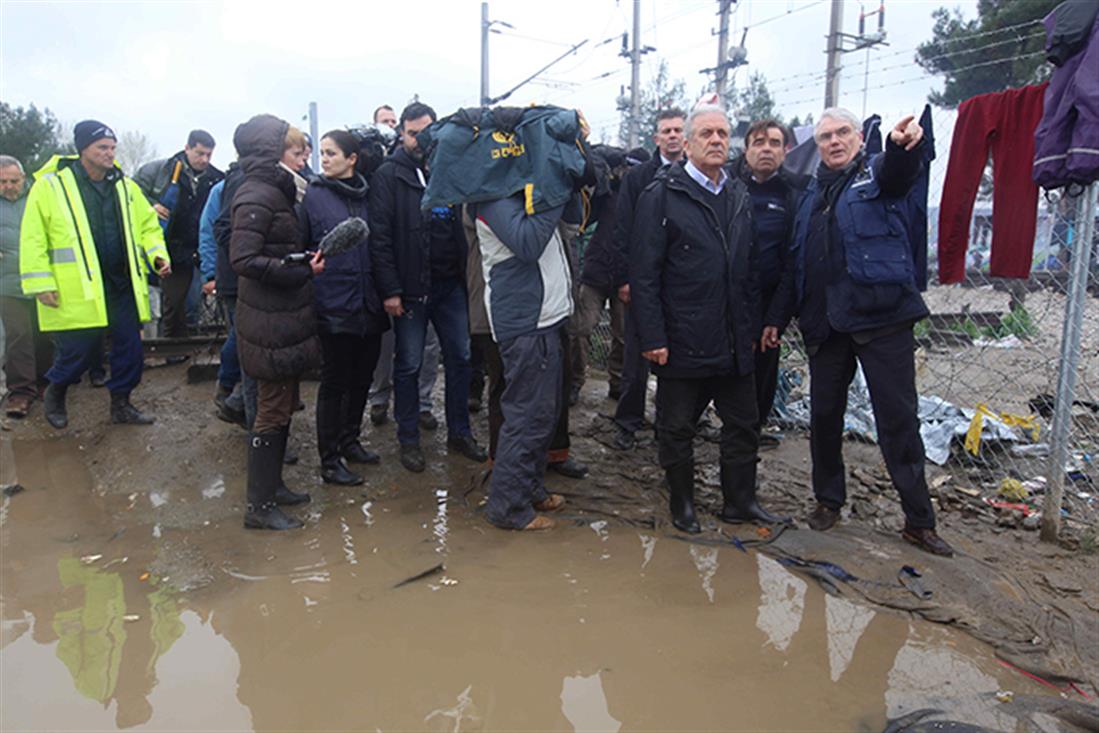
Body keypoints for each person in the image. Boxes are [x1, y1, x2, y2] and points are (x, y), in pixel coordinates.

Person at [787, 108, 954, 557]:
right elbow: (796, 262)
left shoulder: (877, 174)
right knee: (823, 417)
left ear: (860, 138)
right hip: (825, 323)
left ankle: (919, 521)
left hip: (881, 319)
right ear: (817, 145)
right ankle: (828, 500)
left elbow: (902, 174)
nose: (834, 142)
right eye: (825, 137)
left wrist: (904, 146)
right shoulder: (809, 195)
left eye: (843, 133)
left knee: (898, 421)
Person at [631, 105, 787, 534]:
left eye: (723, 133)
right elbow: (644, 274)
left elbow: (750, 268)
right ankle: (683, 503)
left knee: (742, 425)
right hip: (682, 336)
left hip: (735, 336)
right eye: (707, 134)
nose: (717, 140)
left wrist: (753, 326)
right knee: (676, 427)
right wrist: (653, 336)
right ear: (688, 143)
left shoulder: (736, 194)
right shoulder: (662, 195)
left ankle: (741, 501)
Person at [20, 121, 171, 429]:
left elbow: (148, 226)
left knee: (130, 349)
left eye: (113, 148)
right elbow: (34, 236)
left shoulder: (125, 186)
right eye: (103, 147)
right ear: (83, 150)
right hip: (78, 288)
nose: (110, 154)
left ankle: (122, 404)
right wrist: (40, 283)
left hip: (121, 284)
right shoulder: (51, 186)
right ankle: (56, 391)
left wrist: (157, 255)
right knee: (78, 351)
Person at [369, 102, 486, 473]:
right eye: (413, 132)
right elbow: (381, 237)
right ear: (402, 134)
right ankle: (408, 439)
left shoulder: (448, 170)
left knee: (461, 358)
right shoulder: (390, 175)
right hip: (410, 288)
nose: (421, 139)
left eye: (427, 131)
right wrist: (390, 289)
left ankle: (459, 432)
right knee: (409, 363)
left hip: (451, 284)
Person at [230, 114, 320, 531]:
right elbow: (243, 259)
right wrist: (296, 268)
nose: (303, 158)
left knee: (282, 404)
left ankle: (274, 487)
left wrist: (299, 262)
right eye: (295, 150)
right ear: (271, 153)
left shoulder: (276, 191)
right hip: (267, 320)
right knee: (269, 409)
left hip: (282, 317)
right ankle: (259, 507)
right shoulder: (256, 194)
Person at [473, 194, 573, 531]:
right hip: (526, 321)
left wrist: (568, 185)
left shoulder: (526, 194)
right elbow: (528, 244)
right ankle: (508, 507)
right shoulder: (492, 199)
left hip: (547, 315)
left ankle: (528, 488)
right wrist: (553, 190)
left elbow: (574, 216)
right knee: (525, 416)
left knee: (542, 416)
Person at [301, 130, 388, 486]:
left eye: (332, 153)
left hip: (371, 300)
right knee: (334, 382)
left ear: (352, 159)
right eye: (322, 153)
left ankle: (351, 439)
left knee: (362, 378)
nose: (325, 159)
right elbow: (305, 245)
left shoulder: (371, 194)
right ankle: (329, 458)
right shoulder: (313, 196)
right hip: (333, 301)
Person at [731, 120, 808, 449]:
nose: (766, 149)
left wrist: (777, 317)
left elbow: (793, 260)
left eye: (774, 143)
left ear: (785, 151)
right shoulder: (729, 187)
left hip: (768, 301)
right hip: (727, 299)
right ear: (746, 150)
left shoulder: (794, 194)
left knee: (763, 367)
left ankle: (752, 430)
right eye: (759, 142)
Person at [612, 109, 685, 450]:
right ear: (656, 138)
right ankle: (628, 422)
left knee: (678, 359)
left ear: (686, 138)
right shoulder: (638, 177)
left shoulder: (694, 174)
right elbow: (623, 229)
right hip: (643, 280)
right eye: (666, 131)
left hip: (681, 284)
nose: (672, 136)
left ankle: (670, 425)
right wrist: (626, 278)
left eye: (677, 131)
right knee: (636, 357)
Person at [572, 145, 644, 403]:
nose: (629, 173)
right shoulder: (609, 194)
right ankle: (574, 380)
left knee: (623, 335)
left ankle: (617, 383)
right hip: (596, 271)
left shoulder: (648, 200)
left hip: (627, 277)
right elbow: (586, 212)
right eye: (628, 167)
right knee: (580, 328)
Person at [134, 130, 223, 339]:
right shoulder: (160, 171)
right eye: (200, 153)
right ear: (187, 148)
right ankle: (173, 346)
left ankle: (186, 345)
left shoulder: (216, 178)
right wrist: (151, 206)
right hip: (172, 246)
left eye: (209, 155)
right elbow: (131, 192)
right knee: (173, 302)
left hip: (200, 247)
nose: (204, 160)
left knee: (194, 302)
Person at [1, 155, 53, 418]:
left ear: (23, 178)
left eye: (14, 180)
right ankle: (21, 392)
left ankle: (46, 382)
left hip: (41, 280)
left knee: (45, 333)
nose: (9, 186)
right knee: (19, 334)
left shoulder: (38, 198)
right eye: (3, 182)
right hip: (7, 283)